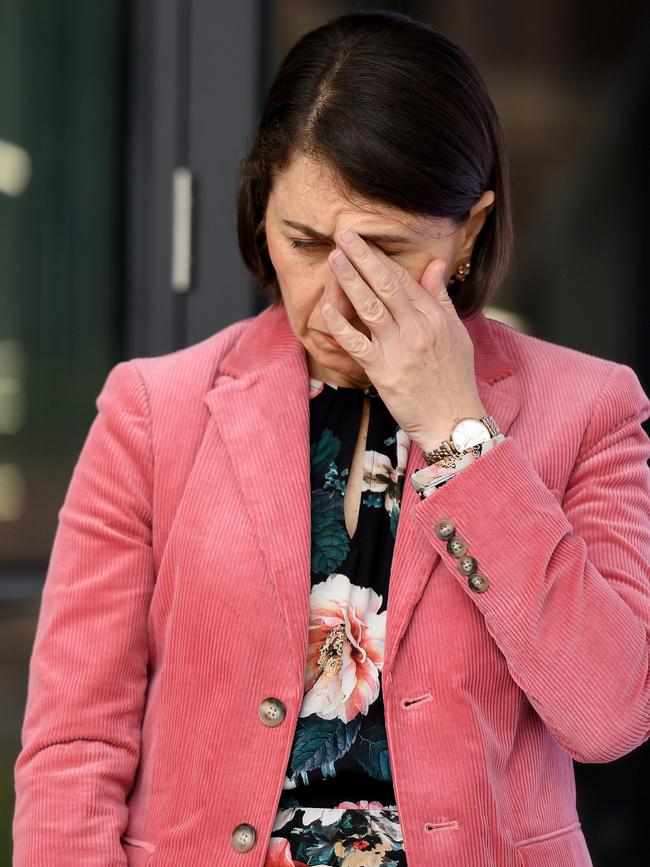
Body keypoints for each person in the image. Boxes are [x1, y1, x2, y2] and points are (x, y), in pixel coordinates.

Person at [12, 9, 650, 867]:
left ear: (468, 230)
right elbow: (73, 752)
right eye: (306, 242)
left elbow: (611, 714)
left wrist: (458, 430)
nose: (337, 298)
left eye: (384, 251)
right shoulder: (154, 413)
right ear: (259, 206)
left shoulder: (591, 409)